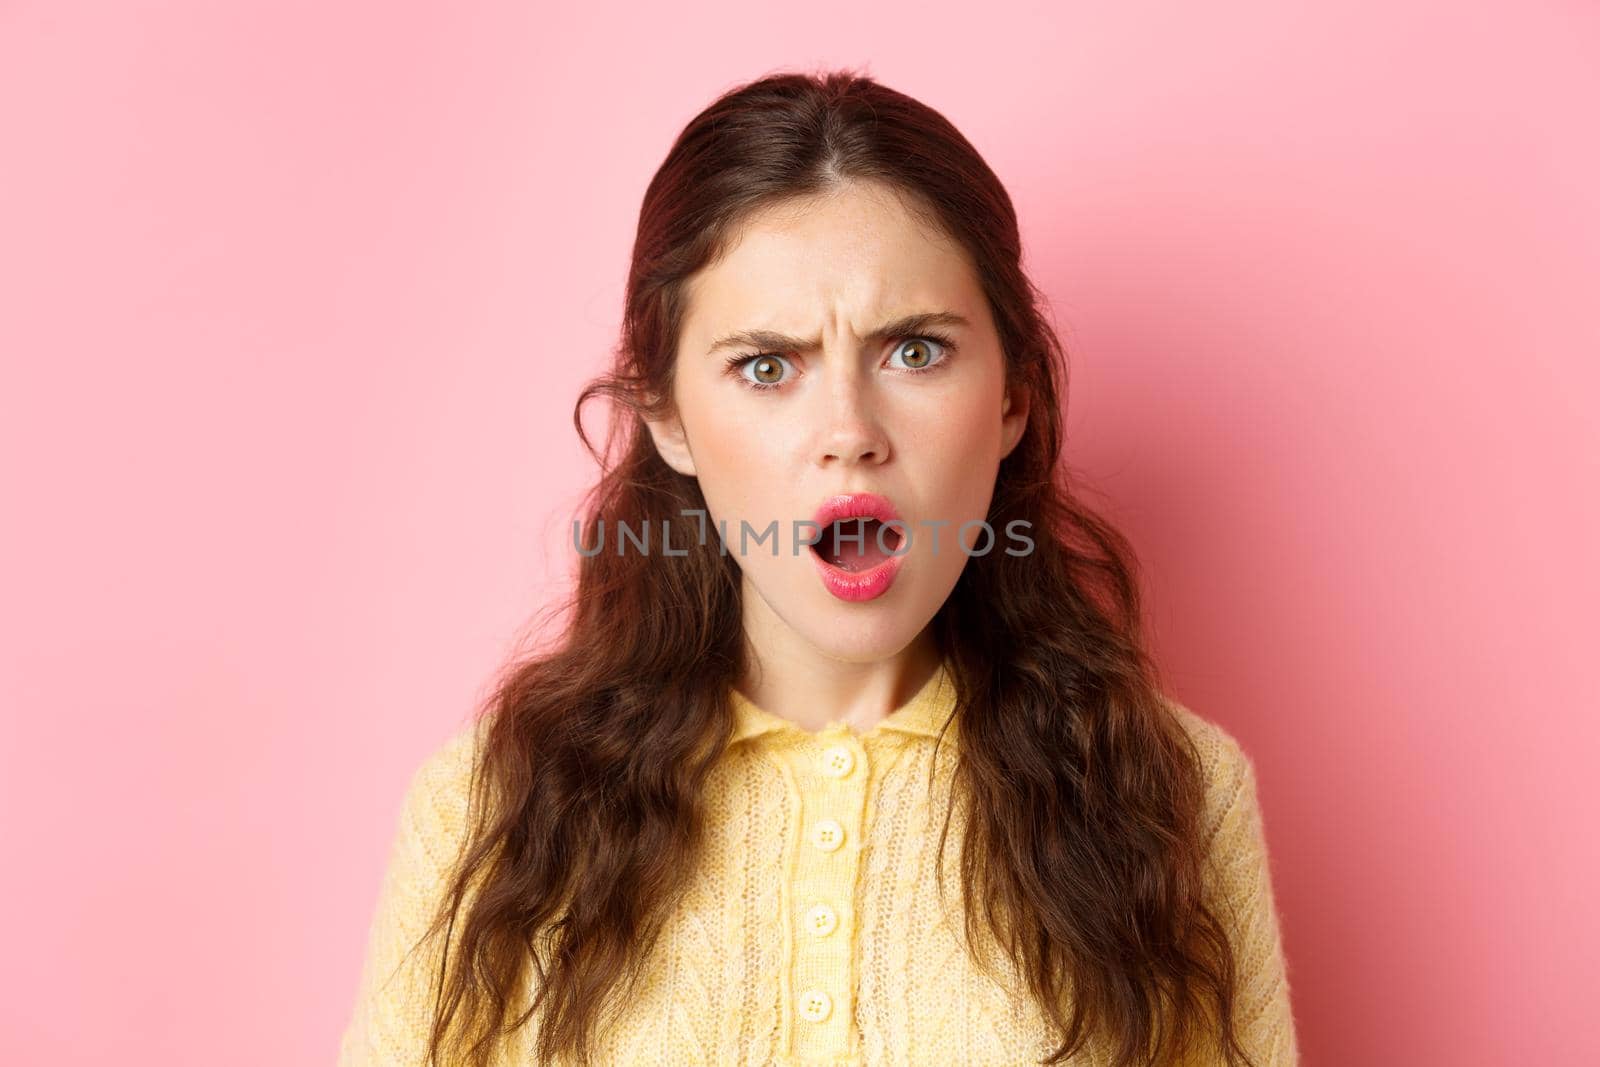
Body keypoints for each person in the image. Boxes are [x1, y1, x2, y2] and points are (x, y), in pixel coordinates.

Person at [337, 68, 1299, 1067]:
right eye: (765, 365)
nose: (849, 432)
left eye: (915, 351)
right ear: (666, 417)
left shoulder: (1171, 792)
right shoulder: (489, 803)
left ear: (1012, 397)